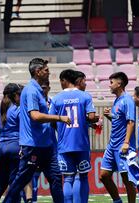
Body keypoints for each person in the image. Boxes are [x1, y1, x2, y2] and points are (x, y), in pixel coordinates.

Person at [2, 58, 71, 203]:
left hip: (46, 145)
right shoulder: (32, 90)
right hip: (33, 146)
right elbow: (35, 116)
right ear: (38, 72)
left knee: (56, 178)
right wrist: (59, 118)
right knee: (21, 180)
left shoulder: (37, 90)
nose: (49, 72)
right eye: (46, 70)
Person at [49, 69, 97, 203]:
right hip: (81, 143)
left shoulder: (56, 98)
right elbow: (92, 116)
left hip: (64, 144)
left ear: (64, 80)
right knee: (82, 177)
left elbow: (51, 120)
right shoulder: (85, 96)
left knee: (68, 178)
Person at [99, 72, 137, 203]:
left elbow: (131, 122)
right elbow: (119, 120)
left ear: (119, 83)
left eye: (111, 82)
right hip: (112, 145)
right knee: (104, 176)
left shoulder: (127, 100)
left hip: (123, 146)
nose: (109, 85)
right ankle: (117, 201)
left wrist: (126, 142)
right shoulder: (117, 100)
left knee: (127, 180)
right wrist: (110, 116)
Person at [0, 83, 23, 202]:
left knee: (0, 184)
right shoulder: (18, 109)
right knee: (15, 183)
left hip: (1, 148)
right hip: (15, 147)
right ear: (15, 95)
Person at [24, 80, 52, 203]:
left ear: (49, 88)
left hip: (50, 143)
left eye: (45, 87)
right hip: (35, 143)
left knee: (54, 177)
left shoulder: (53, 102)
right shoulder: (34, 101)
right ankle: (31, 200)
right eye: (41, 87)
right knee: (32, 174)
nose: (43, 89)